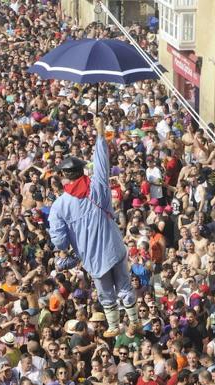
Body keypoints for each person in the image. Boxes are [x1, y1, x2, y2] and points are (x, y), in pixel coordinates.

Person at [49, 117, 138, 337]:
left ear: (63, 176)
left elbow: (58, 240)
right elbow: (101, 163)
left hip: (91, 255)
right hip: (114, 246)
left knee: (105, 290)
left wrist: (69, 247)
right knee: (124, 284)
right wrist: (100, 134)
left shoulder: (59, 205)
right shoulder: (98, 186)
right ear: (82, 171)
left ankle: (114, 326)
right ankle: (134, 320)